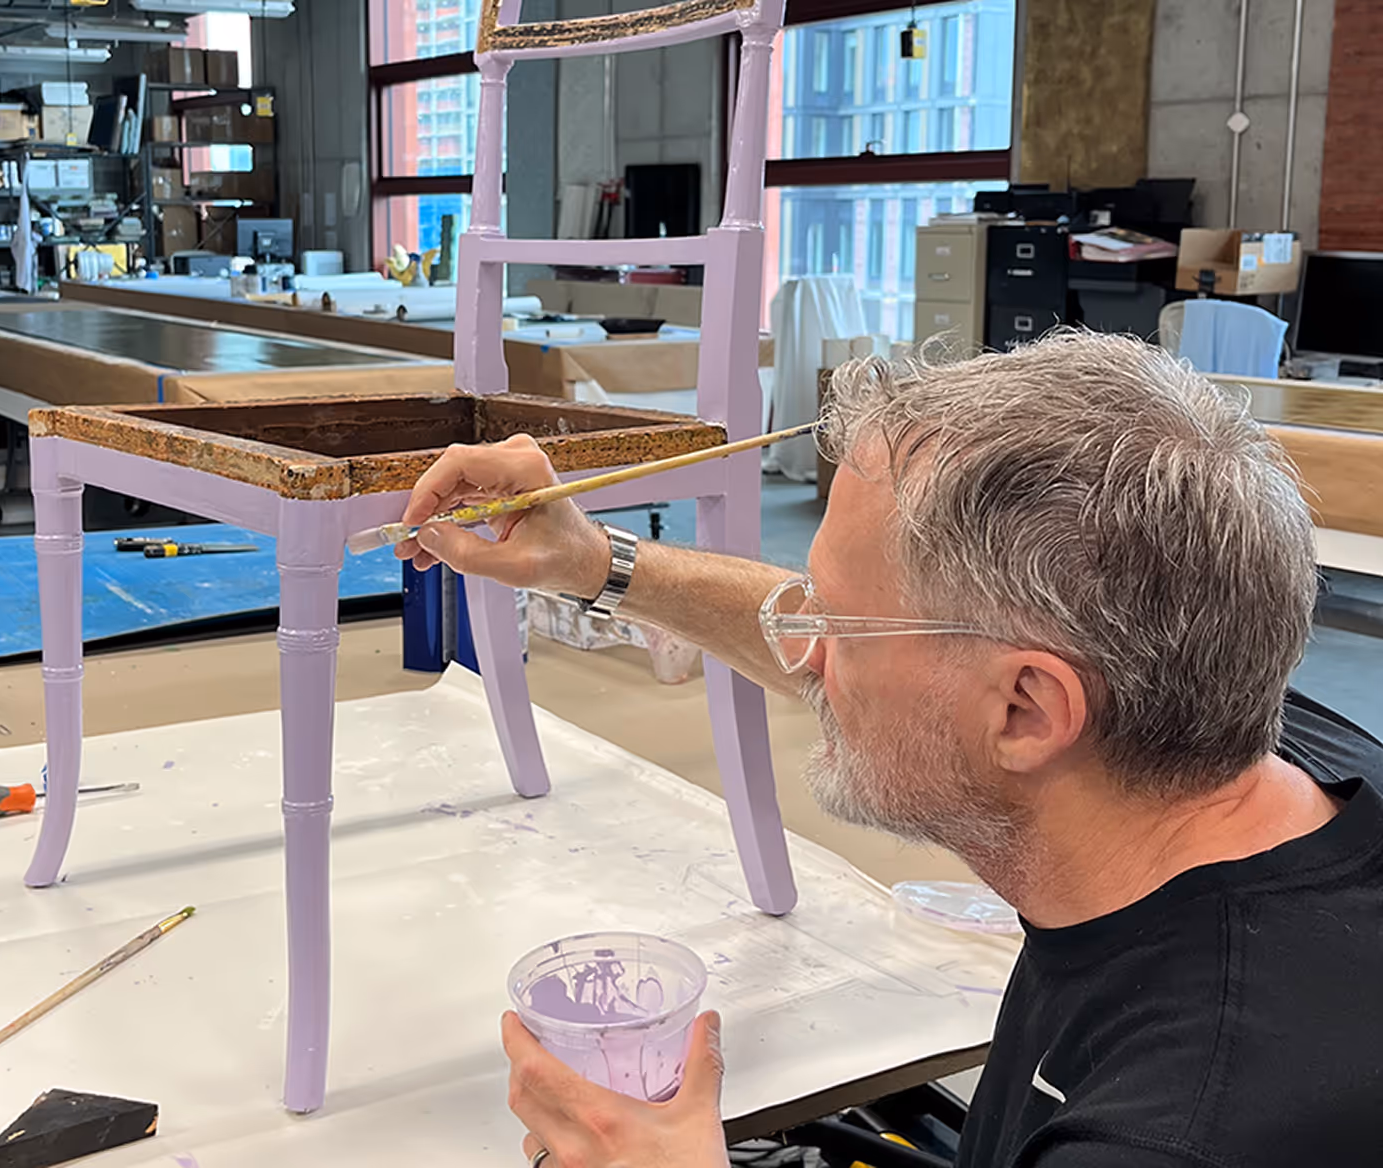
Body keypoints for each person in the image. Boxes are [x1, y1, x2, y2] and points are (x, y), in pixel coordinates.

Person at [394, 332, 1383, 1168]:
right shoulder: (1217, 726)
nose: (805, 648)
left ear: (1028, 709)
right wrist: (592, 560)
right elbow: (850, 662)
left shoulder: (1181, 1126)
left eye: (840, 621)